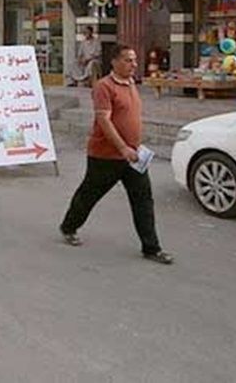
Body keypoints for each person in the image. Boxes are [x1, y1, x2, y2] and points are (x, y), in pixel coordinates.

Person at [59, 45, 174, 265]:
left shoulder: (131, 84)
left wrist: (134, 146)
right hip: (105, 156)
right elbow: (104, 120)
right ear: (114, 62)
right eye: (128, 60)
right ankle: (69, 227)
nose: (134, 64)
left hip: (133, 157)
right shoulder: (104, 87)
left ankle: (151, 248)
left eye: (134, 60)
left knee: (143, 201)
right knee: (89, 195)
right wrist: (122, 148)